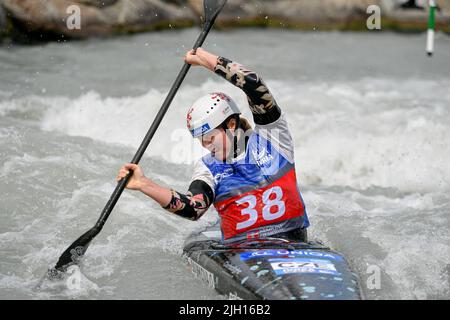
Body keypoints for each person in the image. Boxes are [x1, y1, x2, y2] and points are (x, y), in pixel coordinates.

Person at [117, 48, 309, 244]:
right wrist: (144, 184)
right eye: (201, 140)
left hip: (294, 242)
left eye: (209, 138)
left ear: (231, 125)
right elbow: (193, 209)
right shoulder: (208, 167)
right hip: (242, 252)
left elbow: (253, 83)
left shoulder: (273, 137)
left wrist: (203, 58)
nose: (206, 146)